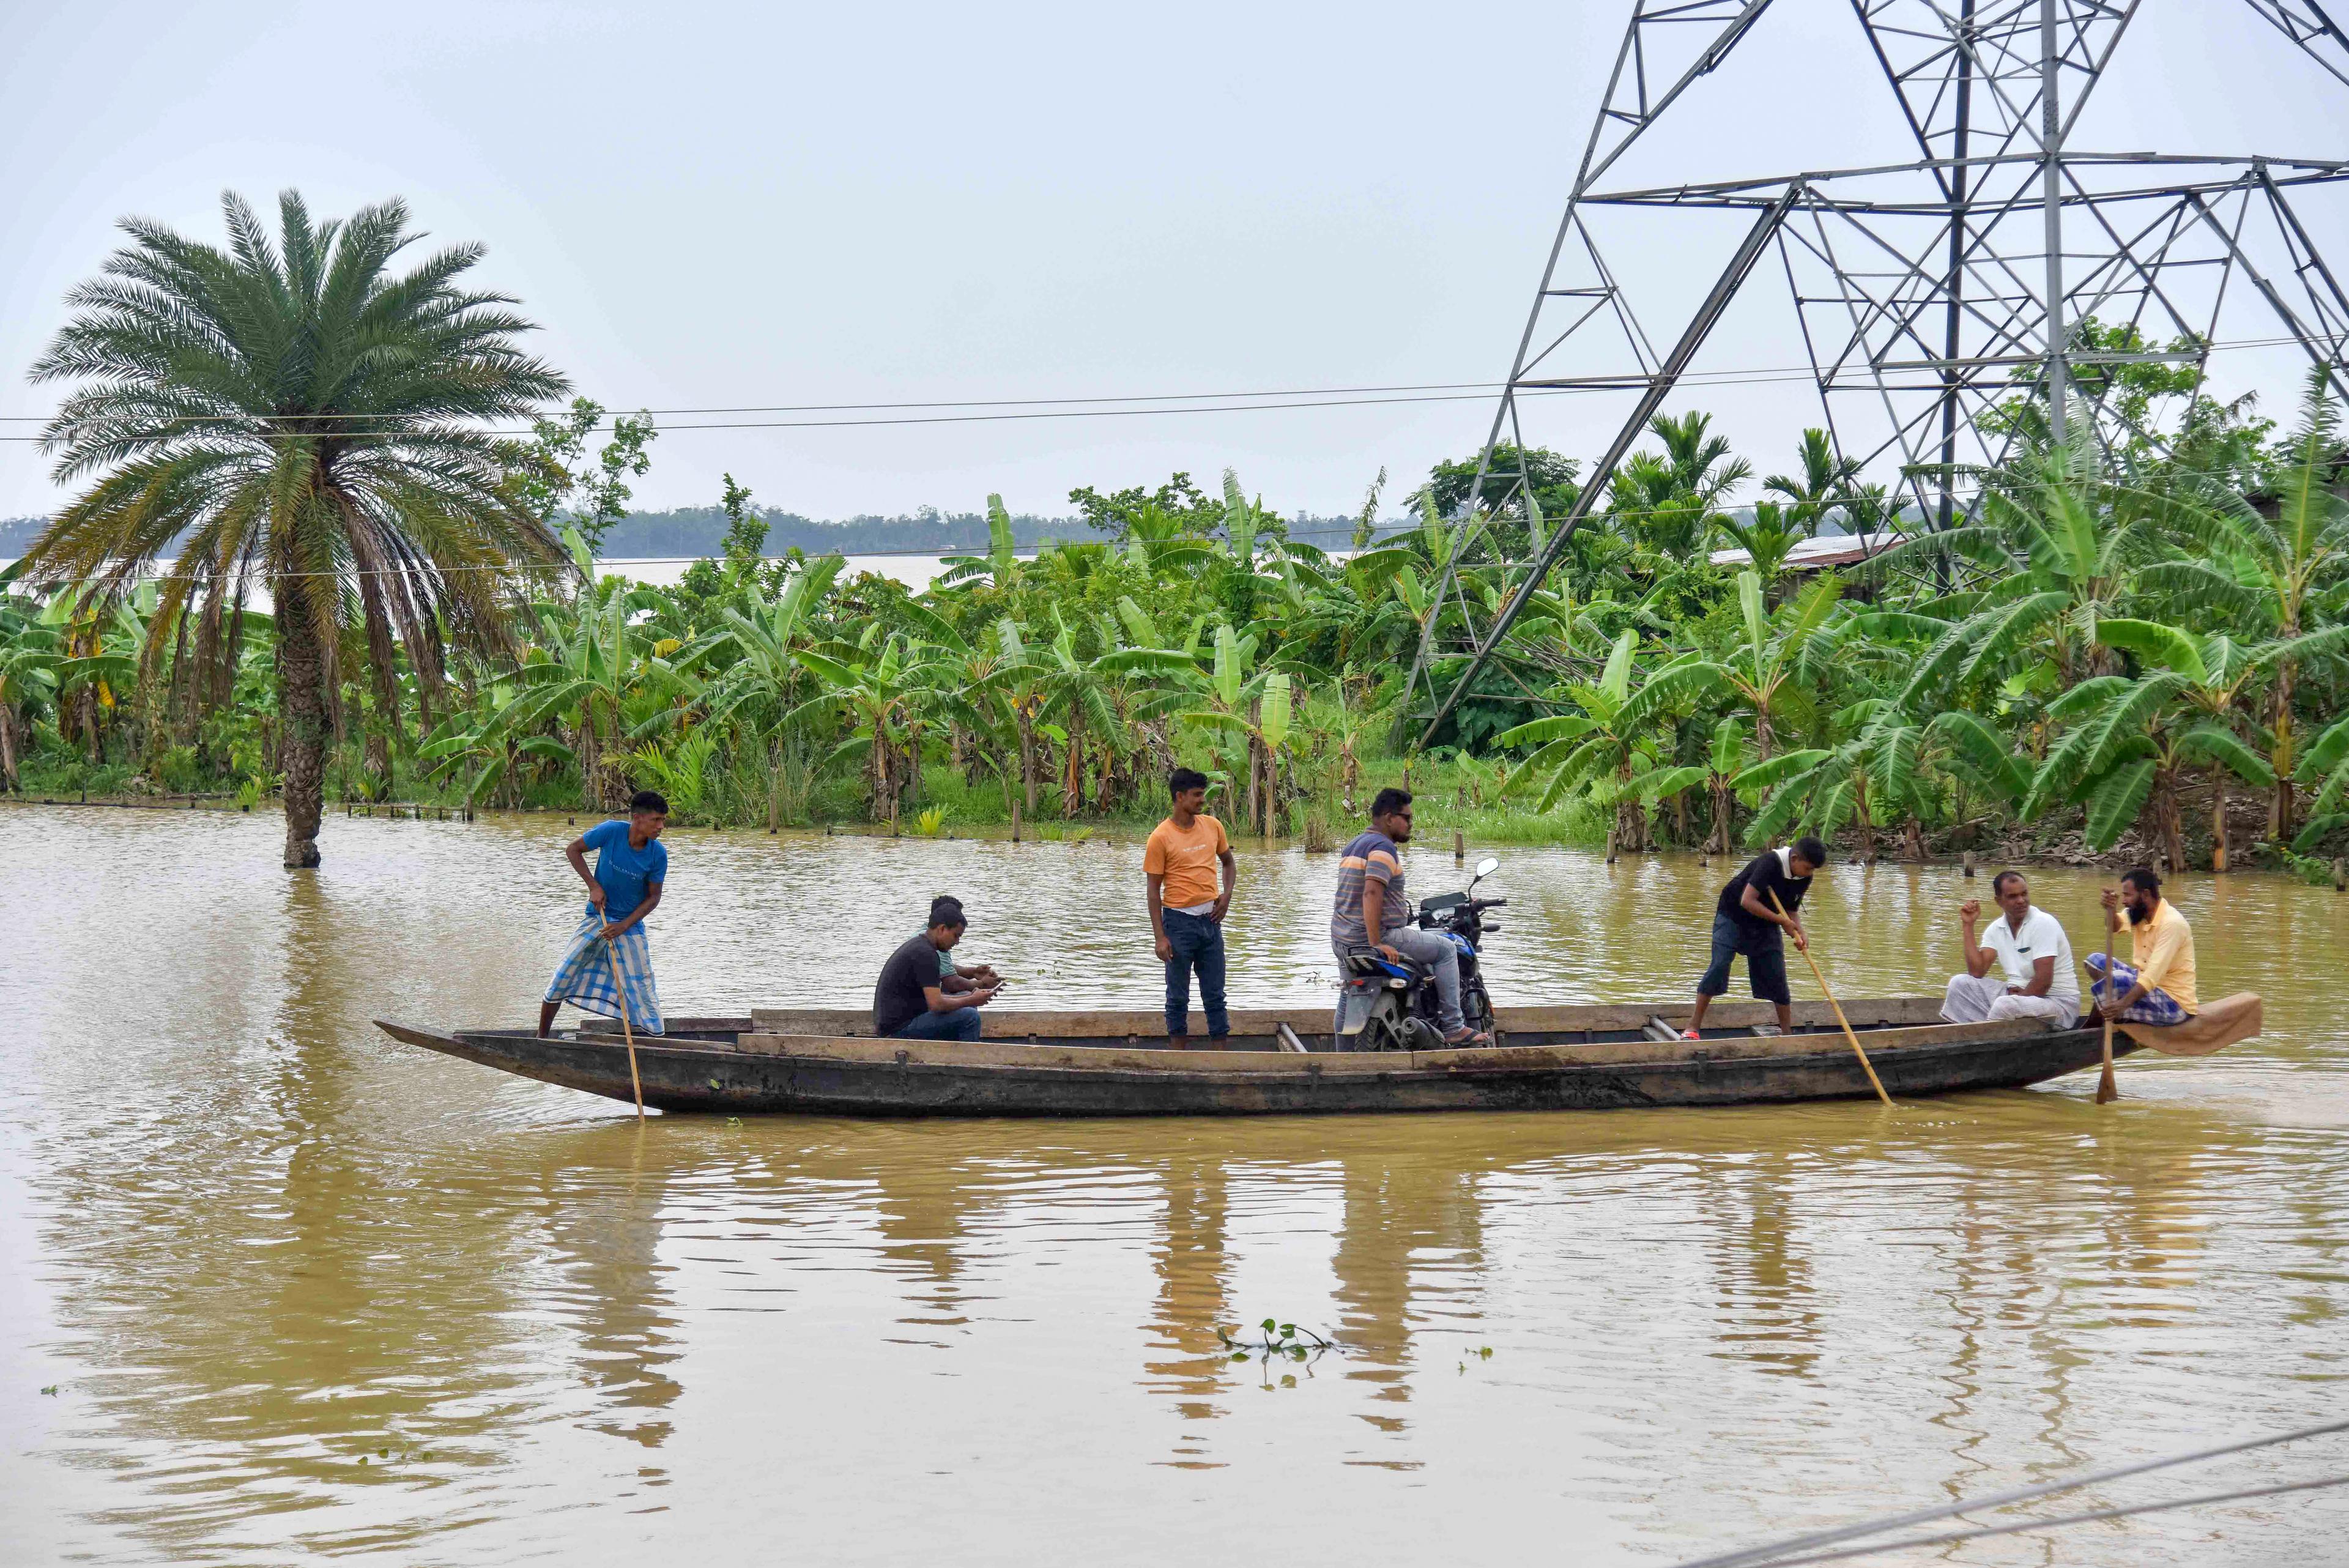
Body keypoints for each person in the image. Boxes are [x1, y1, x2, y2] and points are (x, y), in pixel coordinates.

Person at [1330, 787, 1491, 1047]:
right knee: (1446, 949)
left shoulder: (1354, 845)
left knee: (1349, 996)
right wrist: (1377, 942)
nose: (1411, 824)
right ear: (1389, 817)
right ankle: (1453, 1027)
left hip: (1343, 940)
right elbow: (1371, 893)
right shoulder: (1383, 848)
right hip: (1377, 936)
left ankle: (1343, 1058)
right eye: (1407, 818)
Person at [540, 790, 670, 1039]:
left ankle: (655, 1041)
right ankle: (541, 1039)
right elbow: (573, 850)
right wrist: (594, 886)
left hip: (630, 926)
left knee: (642, 989)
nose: (661, 827)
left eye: (663, 820)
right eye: (656, 820)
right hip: (597, 918)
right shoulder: (611, 831)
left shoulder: (657, 854)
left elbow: (653, 897)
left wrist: (623, 925)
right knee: (563, 974)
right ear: (637, 818)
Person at [1685, 836, 1828, 1039]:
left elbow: (1791, 910)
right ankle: (1693, 1027)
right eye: (1808, 868)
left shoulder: (1804, 877)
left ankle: (1787, 1034)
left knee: (1776, 975)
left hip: (1765, 923)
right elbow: (1747, 901)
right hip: (1733, 916)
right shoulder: (1770, 863)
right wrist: (1782, 921)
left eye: (1813, 870)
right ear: (1794, 858)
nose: (1810, 874)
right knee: (1720, 965)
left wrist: (1800, 933)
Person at [1146, 767, 1238, 1049]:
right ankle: (1179, 1058)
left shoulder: (1213, 826)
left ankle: (1220, 1058)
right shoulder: (1160, 838)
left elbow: (1228, 863)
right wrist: (1160, 938)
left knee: (1215, 995)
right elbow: (1153, 891)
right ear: (1180, 796)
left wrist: (1227, 895)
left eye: (1203, 794)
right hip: (1178, 925)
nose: (1202, 800)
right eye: (1197, 795)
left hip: (1211, 923)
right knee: (1177, 997)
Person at [1940, 870, 2080, 1025]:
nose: (2021, 901)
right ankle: (1982, 1032)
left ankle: (1986, 1035)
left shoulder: (2043, 923)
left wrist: (2018, 999)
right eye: (2013, 897)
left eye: (2024, 894)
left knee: (2005, 1006)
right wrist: (1968, 925)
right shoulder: (1996, 928)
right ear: (1999, 901)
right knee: (1960, 984)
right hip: (2019, 996)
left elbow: (2044, 981)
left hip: (2058, 1004)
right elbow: (1977, 971)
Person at [874, 896, 1001, 1041]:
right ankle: (967, 1061)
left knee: (969, 1006)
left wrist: (971, 997)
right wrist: (971, 999)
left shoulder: (923, 947)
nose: (957, 942)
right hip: (898, 1029)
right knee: (970, 1017)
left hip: (911, 1016)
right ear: (942, 929)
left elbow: (934, 1000)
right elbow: (936, 1004)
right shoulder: (925, 954)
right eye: (956, 936)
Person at [2087, 866, 2198, 1024]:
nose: (2124, 901)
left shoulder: (2172, 924)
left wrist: (2123, 1005)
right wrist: (2110, 910)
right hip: (2145, 982)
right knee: (2094, 961)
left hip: (2174, 1002)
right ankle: (2109, 1009)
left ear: (2145, 894)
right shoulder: (2139, 912)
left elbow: (2152, 977)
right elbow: (2115, 927)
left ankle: (2094, 1025)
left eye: (2128, 895)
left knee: (2116, 980)